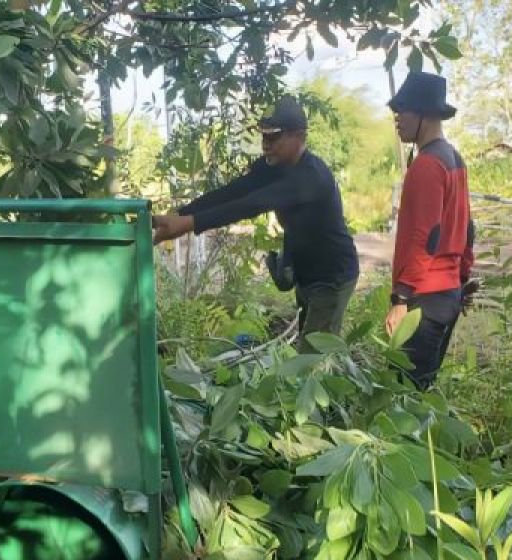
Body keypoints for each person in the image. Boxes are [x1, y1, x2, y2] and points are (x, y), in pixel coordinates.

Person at [151, 97, 359, 351]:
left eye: (274, 138)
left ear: (299, 136)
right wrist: (181, 213)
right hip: (306, 273)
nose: (266, 145)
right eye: (263, 138)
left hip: (332, 276)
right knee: (310, 348)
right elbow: (235, 192)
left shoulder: (311, 177)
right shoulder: (273, 166)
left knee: (314, 358)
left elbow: (251, 204)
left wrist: (186, 224)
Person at [385, 72, 476, 389]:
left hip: (423, 299)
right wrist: (461, 280)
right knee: (422, 392)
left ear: (424, 113)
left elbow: (425, 237)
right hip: (446, 296)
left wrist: (401, 298)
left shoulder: (426, 165)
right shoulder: (454, 159)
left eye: (403, 110)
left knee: (403, 395)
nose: (397, 118)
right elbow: (468, 228)